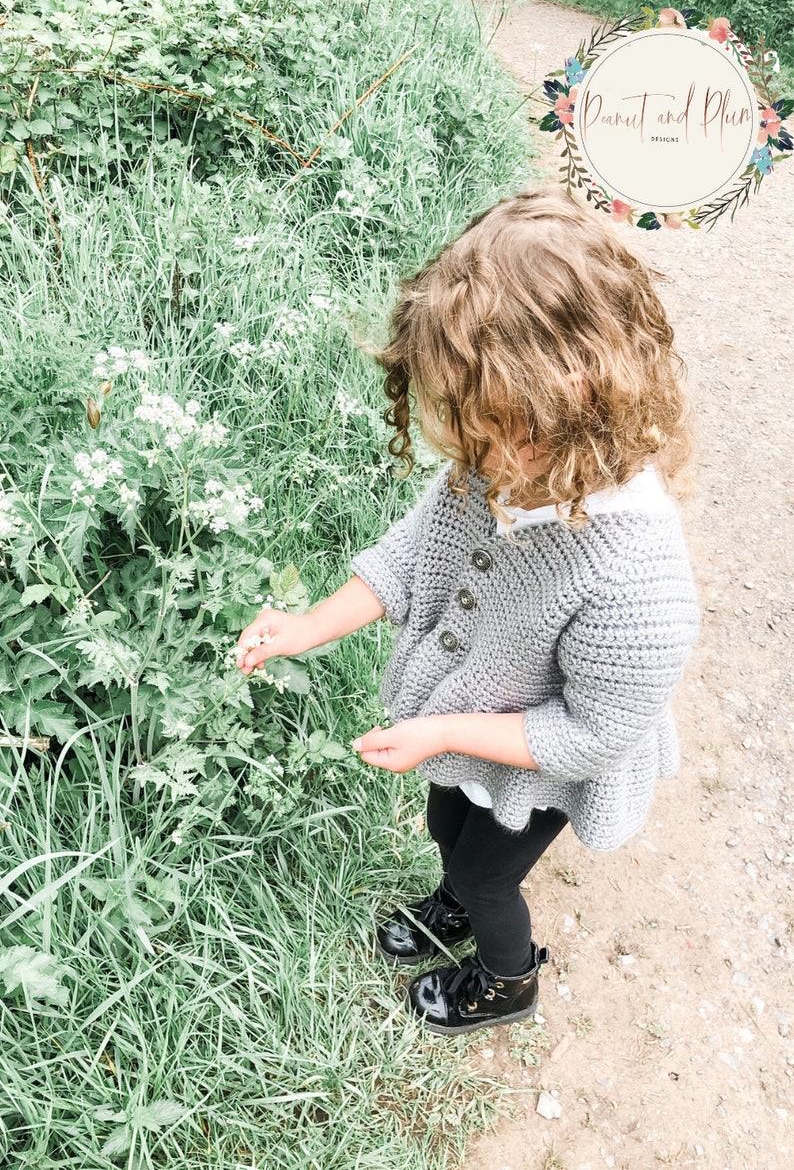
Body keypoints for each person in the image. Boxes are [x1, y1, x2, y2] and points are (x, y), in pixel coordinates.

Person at [236, 185, 701, 1036]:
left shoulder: (640, 579)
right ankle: (452, 893)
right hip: (474, 729)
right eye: (468, 423)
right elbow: (411, 557)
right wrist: (305, 626)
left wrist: (444, 730)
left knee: (492, 874)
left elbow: (593, 733)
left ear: (580, 399)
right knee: (446, 819)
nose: (473, 452)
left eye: (495, 427)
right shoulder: (504, 463)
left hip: (552, 761)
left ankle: (505, 978)